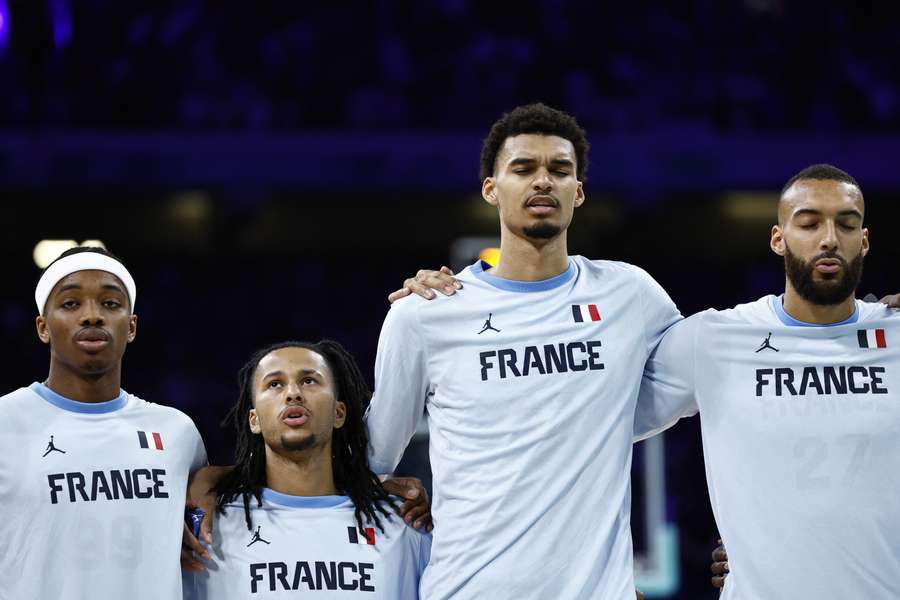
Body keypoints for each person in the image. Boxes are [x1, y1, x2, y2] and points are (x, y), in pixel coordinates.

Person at [366, 103, 680, 599]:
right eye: (523, 169)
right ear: (492, 189)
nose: (543, 182)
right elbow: (371, 456)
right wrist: (216, 488)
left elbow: (701, 382)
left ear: (578, 192)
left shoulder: (630, 294)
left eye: (559, 170)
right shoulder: (425, 313)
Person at [634, 164, 900, 598]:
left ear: (864, 241)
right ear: (779, 239)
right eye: (809, 223)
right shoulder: (712, 339)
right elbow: (596, 431)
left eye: (846, 224)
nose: (829, 238)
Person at [0, 246, 207, 599]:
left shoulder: (177, 433)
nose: (92, 316)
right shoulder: (6, 422)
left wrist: (213, 485)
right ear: (42, 327)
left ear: (131, 326)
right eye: (70, 304)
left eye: (110, 304)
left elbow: (207, 501)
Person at [182, 340, 430, 599]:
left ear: (339, 413)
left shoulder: (404, 524)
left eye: (309, 381)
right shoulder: (204, 529)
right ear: (254, 420)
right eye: (274, 383)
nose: (293, 393)